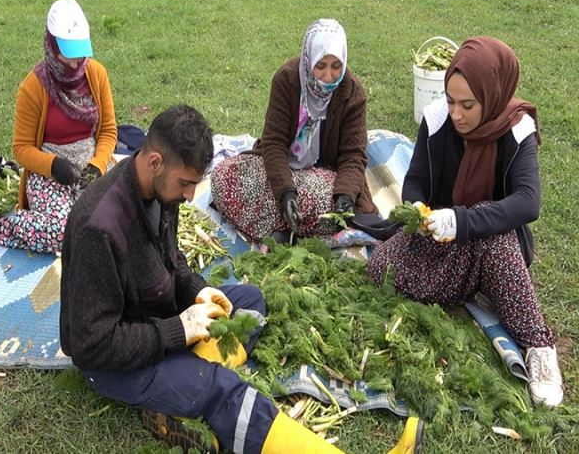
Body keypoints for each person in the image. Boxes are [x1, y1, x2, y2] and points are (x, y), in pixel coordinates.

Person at [59, 105, 359, 453]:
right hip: (114, 362)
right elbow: (91, 344)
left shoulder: (157, 188)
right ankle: (200, 386)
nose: (190, 197)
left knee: (249, 303)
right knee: (223, 389)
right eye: (186, 184)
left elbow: (173, 263)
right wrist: (179, 330)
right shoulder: (97, 228)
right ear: (155, 162)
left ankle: (180, 391)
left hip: (157, 315)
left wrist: (199, 292)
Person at [367, 36, 564, 408]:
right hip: (443, 232)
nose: (456, 113)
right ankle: (471, 285)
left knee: (498, 240)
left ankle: (539, 345)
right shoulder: (438, 118)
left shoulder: (516, 128)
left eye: (468, 105)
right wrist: (419, 210)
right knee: (379, 267)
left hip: (491, 237)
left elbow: (527, 201)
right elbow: (416, 180)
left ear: (492, 95)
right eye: (451, 100)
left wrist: (464, 220)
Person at [0, 0, 117, 252]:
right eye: (67, 56)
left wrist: (97, 166)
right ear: (50, 45)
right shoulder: (33, 87)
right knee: (63, 231)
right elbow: (22, 148)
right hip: (49, 173)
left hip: (89, 167)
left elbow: (108, 131)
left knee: (112, 224)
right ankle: (5, 228)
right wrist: (53, 166)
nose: (74, 65)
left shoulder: (96, 74)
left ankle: (53, 219)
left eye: (79, 56)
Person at [211, 18, 379, 242]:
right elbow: (274, 144)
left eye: (336, 66)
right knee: (224, 176)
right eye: (321, 66)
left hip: (325, 176)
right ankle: (297, 226)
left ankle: (283, 231)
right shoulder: (287, 79)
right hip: (283, 169)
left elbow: (353, 155)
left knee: (324, 199)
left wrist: (345, 196)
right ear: (309, 59)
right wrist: (286, 193)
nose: (328, 77)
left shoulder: (352, 91)